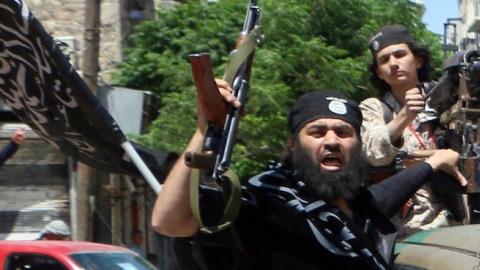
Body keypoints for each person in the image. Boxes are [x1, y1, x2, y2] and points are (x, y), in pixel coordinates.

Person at [152, 86, 466, 269]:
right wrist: (206, 128)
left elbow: (386, 194)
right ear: (293, 145)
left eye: (343, 132)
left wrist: (435, 161)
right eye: (317, 131)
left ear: (357, 146)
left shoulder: (355, 206)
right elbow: (170, 221)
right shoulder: (267, 202)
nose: (331, 140)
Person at [360, 24, 462, 237]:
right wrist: (406, 114)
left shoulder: (448, 99)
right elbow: (374, 154)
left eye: (399, 54)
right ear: (379, 73)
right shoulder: (374, 108)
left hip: (461, 223)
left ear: (417, 60)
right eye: (384, 60)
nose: (393, 63)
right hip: (408, 231)